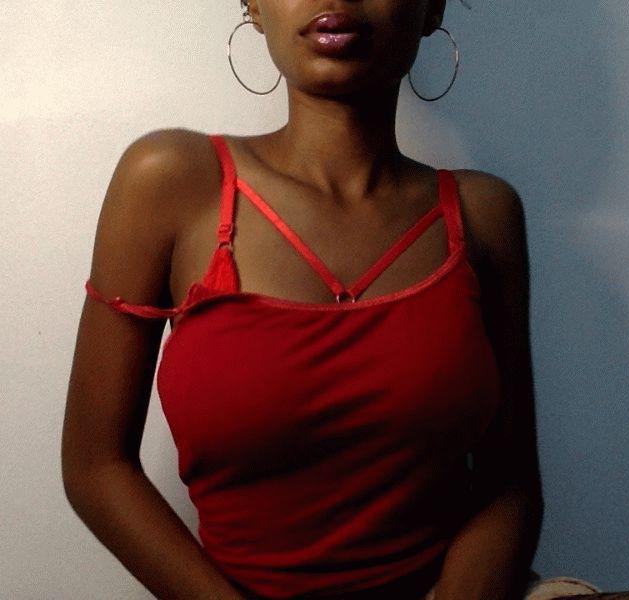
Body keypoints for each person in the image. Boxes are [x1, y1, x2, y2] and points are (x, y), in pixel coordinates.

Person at [62, 1, 544, 599]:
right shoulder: (170, 182)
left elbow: (509, 485)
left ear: (432, 7)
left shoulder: (483, 215)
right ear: (252, 5)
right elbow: (97, 466)